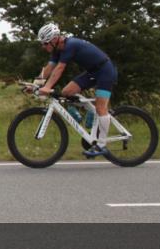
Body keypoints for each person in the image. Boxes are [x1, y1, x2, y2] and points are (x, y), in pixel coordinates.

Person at [34, 23, 118, 158]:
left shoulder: (70, 45)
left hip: (105, 71)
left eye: (45, 43)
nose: (43, 46)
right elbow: (49, 68)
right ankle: (89, 112)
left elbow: (59, 69)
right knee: (66, 92)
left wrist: (48, 87)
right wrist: (35, 84)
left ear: (55, 40)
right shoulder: (57, 50)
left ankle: (101, 145)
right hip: (92, 72)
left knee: (101, 108)